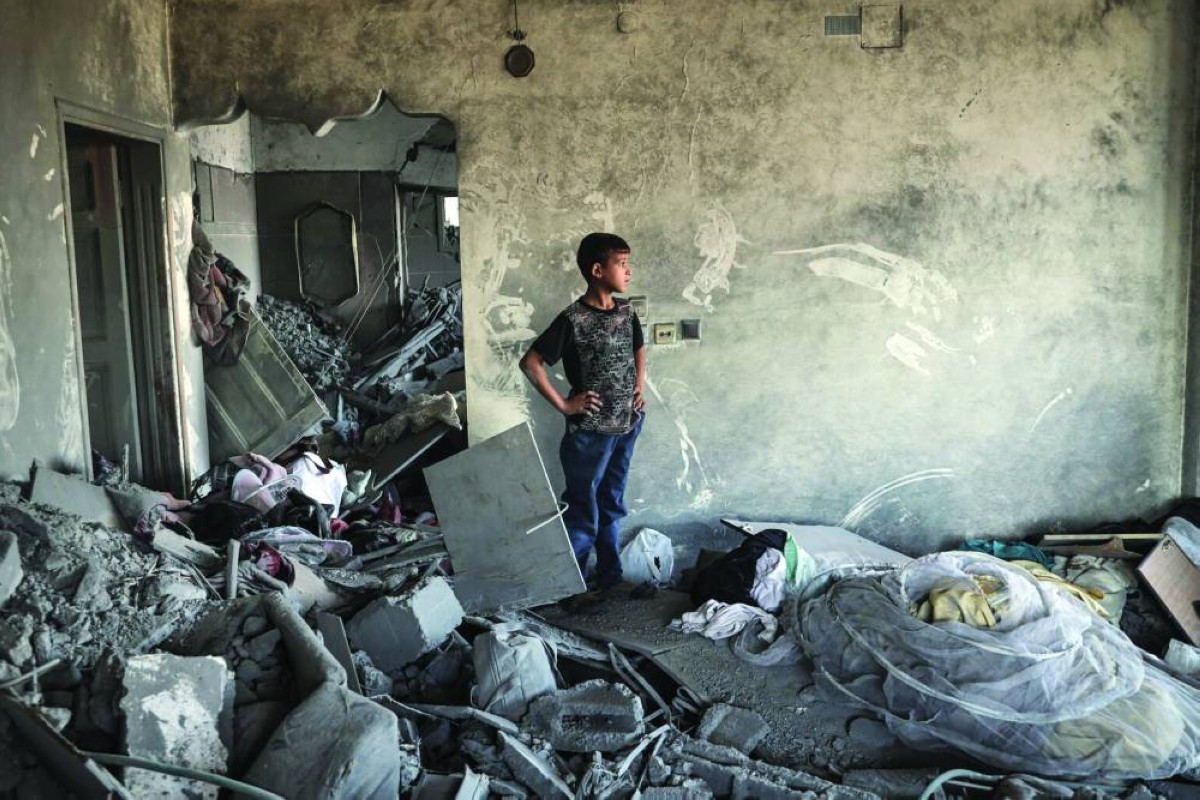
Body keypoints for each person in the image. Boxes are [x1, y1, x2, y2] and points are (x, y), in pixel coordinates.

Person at [520, 232, 646, 603]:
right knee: (582, 506)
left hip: (627, 424)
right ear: (597, 270)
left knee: (611, 500)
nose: (628, 271)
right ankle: (572, 587)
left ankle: (610, 577)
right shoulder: (573, 319)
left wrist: (639, 386)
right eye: (621, 264)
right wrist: (564, 405)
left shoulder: (626, 312)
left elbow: (638, 348)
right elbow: (531, 363)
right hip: (589, 432)